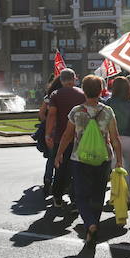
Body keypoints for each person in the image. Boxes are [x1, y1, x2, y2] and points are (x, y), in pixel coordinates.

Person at [54, 75, 122, 243]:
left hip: (80, 158)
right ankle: (95, 224)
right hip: (103, 158)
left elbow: (67, 136)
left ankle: (89, 224)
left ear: (83, 90)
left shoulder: (76, 111)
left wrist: (59, 154)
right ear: (101, 91)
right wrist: (119, 160)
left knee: (81, 194)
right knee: (98, 194)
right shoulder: (107, 111)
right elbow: (115, 138)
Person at [45, 69, 86, 207]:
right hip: (79, 137)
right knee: (77, 169)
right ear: (74, 79)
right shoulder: (82, 94)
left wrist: (48, 134)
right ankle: (74, 199)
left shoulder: (55, 95)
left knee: (60, 168)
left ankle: (57, 196)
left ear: (61, 80)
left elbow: (51, 115)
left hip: (60, 137)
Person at [105, 76, 130, 191]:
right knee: (128, 169)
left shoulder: (109, 102)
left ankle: (116, 194)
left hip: (113, 138)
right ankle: (126, 195)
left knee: (115, 168)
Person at [38, 76, 63, 196]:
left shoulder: (48, 97)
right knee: (63, 157)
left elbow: (41, 114)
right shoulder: (66, 96)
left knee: (51, 157)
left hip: (51, 131)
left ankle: (48, 180)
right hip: (63, 131)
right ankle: (60, 183)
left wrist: (47, 124)